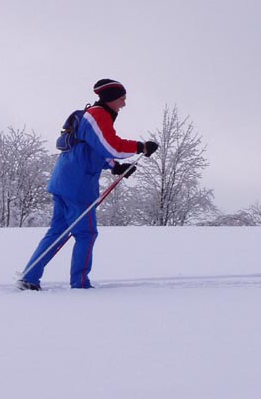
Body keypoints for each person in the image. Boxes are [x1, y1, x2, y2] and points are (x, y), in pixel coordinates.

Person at [16, 78, 158, 290]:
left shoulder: (93, 115)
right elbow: (110, 146)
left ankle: (29, 277)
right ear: (110, 99)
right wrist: (141, 146)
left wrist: (115, 167)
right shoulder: (98, 115)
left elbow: (94, 148)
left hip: (64, 181)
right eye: (122, 99)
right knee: (87, 234)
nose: (124, 104)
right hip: (77, 187)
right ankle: (80, 284)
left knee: (58, 231)